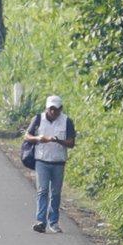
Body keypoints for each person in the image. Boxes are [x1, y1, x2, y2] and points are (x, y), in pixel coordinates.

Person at [24, 95, 75, 231]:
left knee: (56, 193)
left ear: (60, 109)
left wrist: (58, 140)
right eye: (51, 109)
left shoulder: (66, 121)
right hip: (42, 160)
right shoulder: (39, 119)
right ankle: (41, 221)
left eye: (56, 110)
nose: (53, 112)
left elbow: (71, 142)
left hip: (58, 161)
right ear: (47, 108)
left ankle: (53, 221)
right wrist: (38, 138)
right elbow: (27, 136)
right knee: (43, 191)